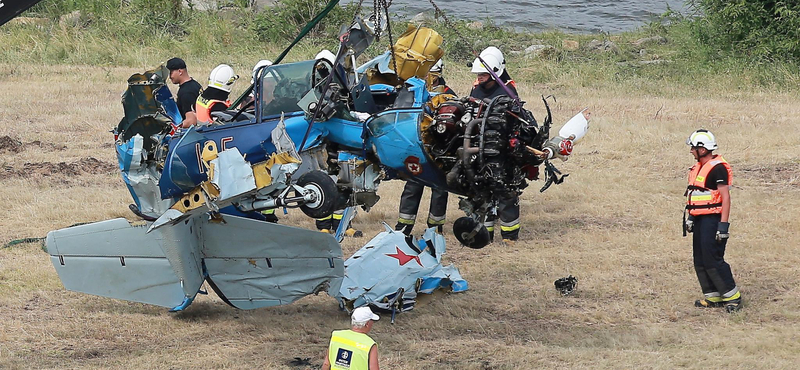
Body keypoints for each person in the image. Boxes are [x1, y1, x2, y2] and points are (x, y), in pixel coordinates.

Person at [684, 129, 741, 313]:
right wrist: (691, 217)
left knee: (713, 258)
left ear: (702, 149)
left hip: (713, 219)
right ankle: (713, 296)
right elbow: (697, 195)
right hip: (700, 219)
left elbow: (725, 197)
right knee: (700, 259)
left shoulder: (718, 168)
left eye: (693, 147)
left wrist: (723, 226)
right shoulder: (698, 168)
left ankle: (733, 297)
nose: (691, 151)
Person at [395, 59, 454, 236]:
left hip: (439, 149)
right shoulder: (414, 91)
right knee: (412, 186)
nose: (429, 77)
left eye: (431, 74)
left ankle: (435, 228)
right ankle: (403, 226)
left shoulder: (448, 94)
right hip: (417, 148)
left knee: (440, 189)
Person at [469, 46, 521, 243]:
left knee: (504, 188)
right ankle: (484, 233)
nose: (480, 78)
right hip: (477, 147)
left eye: (483, 74)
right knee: (480, 189)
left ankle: (509, 235)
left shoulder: (507, 91)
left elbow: (515, 121)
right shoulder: (476, 89)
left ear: (494, 72)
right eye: (478, 74)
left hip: (501, 149)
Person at [166, 57, 202, 128]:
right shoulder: (195, 84)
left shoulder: (186, 93)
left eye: (171, 73)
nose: (170, 77)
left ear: (180, 72)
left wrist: (174, 128)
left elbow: (191, 121)